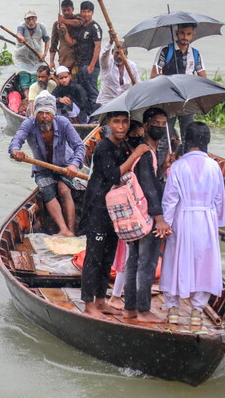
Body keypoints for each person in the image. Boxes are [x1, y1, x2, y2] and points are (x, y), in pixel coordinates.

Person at [78, 111, 151, 318]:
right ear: (108, 123)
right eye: (116, 122)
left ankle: (101, 300)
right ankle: (88, 304)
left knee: (108, 256)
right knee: (94, 257)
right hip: (97, 210)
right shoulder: (103, 147)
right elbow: (113, 175)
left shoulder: (122, 147)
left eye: (124, 122)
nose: (121, 126)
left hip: (114, 212)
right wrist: (136, 154)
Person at [157, 122, 225, 326]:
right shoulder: (214, 166)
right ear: (207, 141)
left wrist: (166, 224)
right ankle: (197, 312)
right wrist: (218, 223)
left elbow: (170, 199)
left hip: (183, 218)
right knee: (203, 263)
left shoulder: (178, 167)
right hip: (206, 219)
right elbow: (219, 199)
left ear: (187, 140)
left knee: (175, 260)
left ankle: (173, 310)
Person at [122, 108, 174, 324]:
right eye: (156, 123)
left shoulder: (146, 152)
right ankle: (143, 310)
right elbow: (149, 188)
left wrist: (162, 167)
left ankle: (130, 309)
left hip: (136, 215)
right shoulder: (145, 153)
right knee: (146, 263)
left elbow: (151, 179)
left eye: (164, 124)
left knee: (133, 261)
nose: (161, 127)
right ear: (146, 126)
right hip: (146, 216)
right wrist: (159, 217)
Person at [9, 91, 86, 236]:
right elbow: (16, 140)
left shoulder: (63, 123)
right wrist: (15, 151)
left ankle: (71, 229)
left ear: (54, 113)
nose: (44, 116)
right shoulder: (29, 124)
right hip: (42, 168)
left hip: (65, 165)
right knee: (47, 191)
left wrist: (74, 165)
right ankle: (63, 229)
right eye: (41, 112)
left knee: (64, 189)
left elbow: (80, 147)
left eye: (48, 113)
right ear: (36, 113)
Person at [108, 120, 145, 309]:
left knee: (132, 254)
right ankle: (115, 296)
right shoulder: (123, 155)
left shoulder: (137, 156)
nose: (140, 138)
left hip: (136, 210)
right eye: (136, 135)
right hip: (126, 212)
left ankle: (122, 294)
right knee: (129, 255)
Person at [150, 23, 207, 140]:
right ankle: (162, 157)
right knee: (165, 137)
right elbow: (154, 75)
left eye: (188, 34)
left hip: (187, 100)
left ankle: (185, 156)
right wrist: (170, 79)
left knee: (188, 135)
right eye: (182, 33)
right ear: (177, 33)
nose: (185, 37)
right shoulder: (166, 51)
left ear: (193, 35)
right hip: (168, 99)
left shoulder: (195, 54)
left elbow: (203, 79)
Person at [70, 1, 102, 114]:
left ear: (92, 12)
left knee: (92, 91)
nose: (86, 14)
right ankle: (86, 114)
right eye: (84, 11)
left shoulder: (95, 27)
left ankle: (96, 114)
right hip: (80, 64)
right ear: (81, 12)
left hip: (90, 64)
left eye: (88, 12)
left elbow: (97, 47)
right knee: (82, 90)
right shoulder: (80, 27)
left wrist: (92, 65)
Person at [12, 10, 50, 100]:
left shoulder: (41, 27)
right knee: (24, 74)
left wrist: (44, 54)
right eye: (28, 19)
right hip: (22, 57)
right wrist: (20, 38)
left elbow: (47, 40)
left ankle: (36, 96)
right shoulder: (21, 26)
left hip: (37, 57)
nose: (31, 21)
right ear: (25, 20)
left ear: (36, 19)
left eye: (33, 18)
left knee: (36, 76)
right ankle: (27, 97)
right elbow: (19, 34)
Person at [95, 41, 139, 108]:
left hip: (123, 102)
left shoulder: (132, 66)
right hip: (105, 102)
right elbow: (103, 55)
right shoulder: (106, 63)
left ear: (126, 54)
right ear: (112, 52)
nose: (119, 56)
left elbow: (137, 85)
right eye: (117, 53)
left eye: (122, 53)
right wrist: (110, 42)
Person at [49, 0, 78, 70]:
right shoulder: (57, 24)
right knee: (64, 79)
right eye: (64, 10)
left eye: (68, 10)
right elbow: (53, 44)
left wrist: (63, 21)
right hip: (64, 58)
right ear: (61, 10)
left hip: (77, 59)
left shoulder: (77, 20)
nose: (66, 12)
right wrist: (51, 61)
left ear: (73, 9)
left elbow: (79, 23)